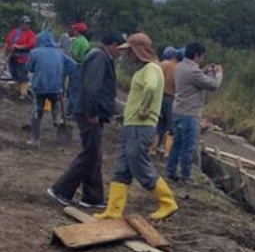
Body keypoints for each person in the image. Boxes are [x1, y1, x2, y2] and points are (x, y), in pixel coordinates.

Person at [94, 33, 178, 220]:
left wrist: (143, 109)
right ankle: (113, 210)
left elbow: (149, 88)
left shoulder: (151, 69)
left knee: (139, 164)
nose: (127, 55)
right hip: (132, 125)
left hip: (141, 125)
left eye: (129, 51)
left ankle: (167, 202)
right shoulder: (145, 69)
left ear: (139, 51)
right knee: (122, 167)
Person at [47, 34, 125, 208]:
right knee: (90, 154)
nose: (122, 53)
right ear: (113, 44)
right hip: (90, 114)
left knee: (94, 154)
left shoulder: (102, 56)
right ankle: (61, 190)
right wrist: (91, 112)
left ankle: (93, 197)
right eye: (120, 48)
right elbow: (91, 87)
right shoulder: (99, 57)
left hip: (93, 113)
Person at [166, 43, 223, 183]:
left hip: (178, 111)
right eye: (201, 56)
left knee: (177, 144)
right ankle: (186, 175)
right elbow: (213, 85)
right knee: (188, 146)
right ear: (197, 55)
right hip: (189, 113)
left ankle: (170, 171)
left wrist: (204, 71)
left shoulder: (180, 67)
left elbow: (195, 77)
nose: (202, 59)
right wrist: (219, 73)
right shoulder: (193, 72)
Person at [26, 29, 77, 146]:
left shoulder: (35, 52)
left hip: (40, 87)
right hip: (56, 87)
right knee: (55, 106)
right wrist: (62, 72)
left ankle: (35, 139)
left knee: (37, 111)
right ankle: (57, 122)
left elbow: (29, 68)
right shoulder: (60, 53)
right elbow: (73, 66)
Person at [150, 46, 177, 157]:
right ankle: (167, 152)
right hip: (170, 97)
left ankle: (153, 148)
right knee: (171, 126)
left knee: (159, 123)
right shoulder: (174, 67)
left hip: (159, 96)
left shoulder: (158, 65)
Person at [3, 15, 36, 100]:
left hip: (22, 57)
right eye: (25, 23)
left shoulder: (31, 34)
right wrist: (5, 52)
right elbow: (8, 41)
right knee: (14, 73)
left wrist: (19, 46)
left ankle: (23, 94)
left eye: (28, 23)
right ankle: (17, 91)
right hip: (12, 56)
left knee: (22, 75)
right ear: (21, 23)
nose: (27, 25)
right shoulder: (15, 31)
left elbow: (31, 44)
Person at [66, 22, 90, 118]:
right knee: (78, 89)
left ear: (78, 31)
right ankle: (71, 110)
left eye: (75, 29)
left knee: (74, 90)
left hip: (77, 66)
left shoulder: (78, 41)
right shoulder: (86, 41)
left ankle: (73, 112)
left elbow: (74, 55)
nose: (73, 31)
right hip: (83, 67)